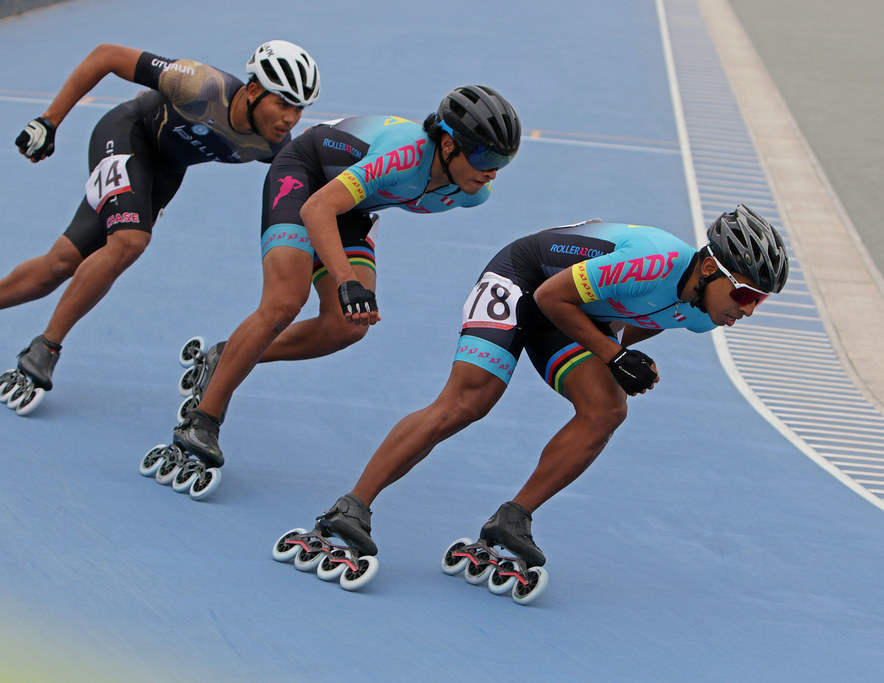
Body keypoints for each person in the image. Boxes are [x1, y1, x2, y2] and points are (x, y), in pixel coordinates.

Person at [302, 205, 789, 570]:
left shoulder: (705, 314)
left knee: (606, 409)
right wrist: (614, 355)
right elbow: (549, 296)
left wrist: (627, 359)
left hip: (578, 306)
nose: (747, 310)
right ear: (709, 269)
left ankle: (511, 519)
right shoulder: (652, 262)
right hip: (525, 278)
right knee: (470, 400)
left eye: (759, 301)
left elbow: (647, 317)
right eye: (745, 294)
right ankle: (352, 505)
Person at [167, 85, 522, 477]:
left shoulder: (474, 192)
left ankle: (227, 354)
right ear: (450, 145)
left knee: (348, 324)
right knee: (286, 301)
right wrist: (344, 278)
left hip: (350, 203)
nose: (491, 171)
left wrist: (348, 276)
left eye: (502, 161)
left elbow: (355, 203)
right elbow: (318, 207)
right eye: (484, 156)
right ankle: (203, 419)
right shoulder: (403, 156)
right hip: (306, 175)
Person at [0, 40, 320, 415]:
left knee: (59, 264)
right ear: (252, 91)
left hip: (165, 172)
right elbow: (106, 55)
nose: (290, 119)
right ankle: (45, 348)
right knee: (129, 241)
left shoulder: (278, 147)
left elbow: (313, 190)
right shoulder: (201, 85)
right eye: (282, 104)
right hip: (127, 133)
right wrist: (48, 120)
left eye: (299, 109)